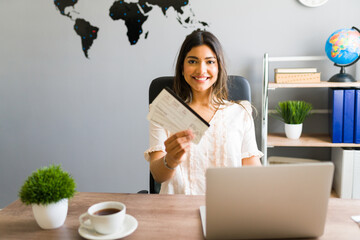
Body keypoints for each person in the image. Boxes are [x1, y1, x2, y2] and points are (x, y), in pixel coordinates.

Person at [144, 30, 263, 195]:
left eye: (210, 62)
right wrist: (170, 159)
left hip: (228, 209)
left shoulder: (240, 112)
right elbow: (157, 176)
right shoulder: (165, 111)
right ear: (182, 67)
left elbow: (254, 173)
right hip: (176, 210)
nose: (201, 70)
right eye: (192, 61)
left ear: (219, 66)